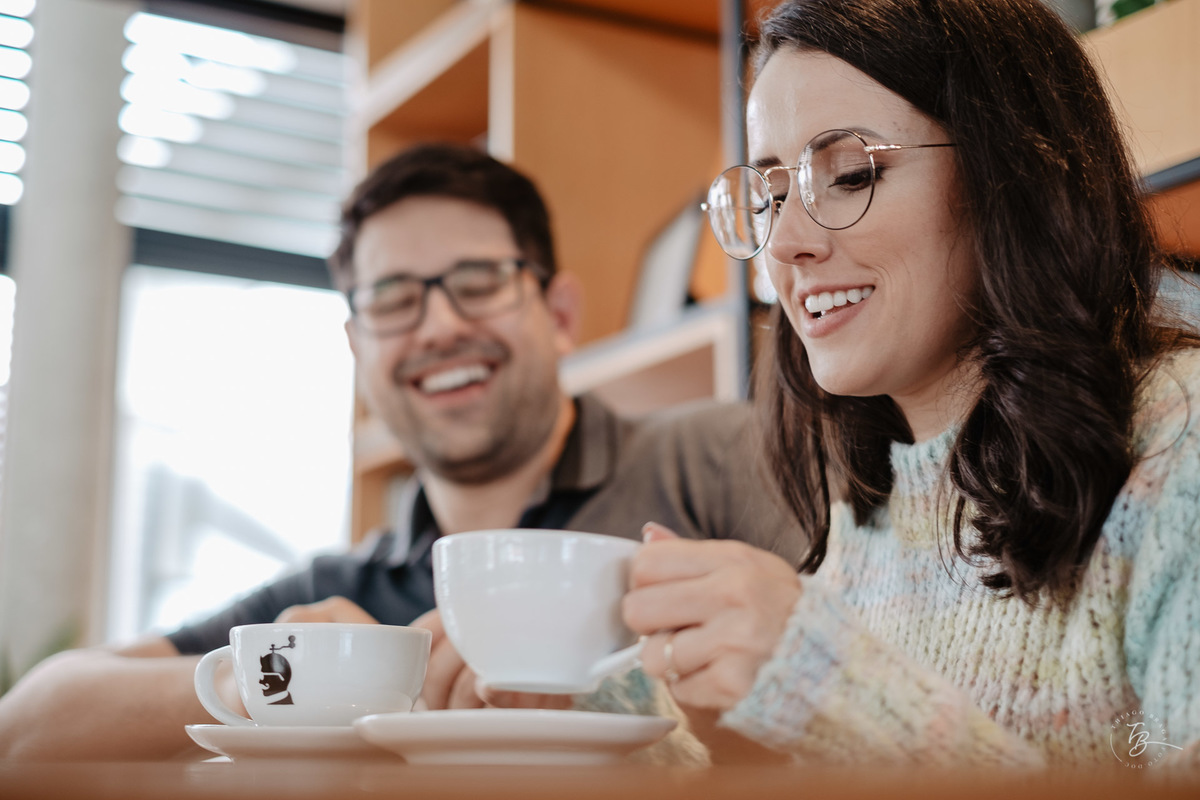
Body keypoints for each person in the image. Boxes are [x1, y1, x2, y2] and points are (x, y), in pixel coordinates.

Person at [0, 143, 803, 761]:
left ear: (559, 313)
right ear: (358, 348)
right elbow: (30, 721)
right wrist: (297, 678)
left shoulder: (715, 456)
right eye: (392, 299)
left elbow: (876, 664)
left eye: (480, 281)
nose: (439, 326)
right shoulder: (337, 595)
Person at [615, 0, 1200, 770]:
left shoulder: (1177, 450)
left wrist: (830, 691)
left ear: (1010, 173)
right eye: (771, 195)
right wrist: (546, 708)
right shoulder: (866, 522)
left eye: (850, 174)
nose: (786, 244)